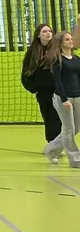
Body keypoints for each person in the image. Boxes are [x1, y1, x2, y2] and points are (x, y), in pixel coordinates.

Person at [45, 31, 80, 166]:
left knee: (76, 128)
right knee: (68, 129)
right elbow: (57, 81)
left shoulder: (76, 59)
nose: (71, 41)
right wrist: (64, 99)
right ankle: (75, 159)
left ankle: (51, 149)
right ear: (60, 43)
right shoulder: (57, 60)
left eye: (71, 39)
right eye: (67, 39)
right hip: (63, 98)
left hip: (77, 96)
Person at [23, 24, 61, 144]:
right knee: (48, 117)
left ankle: (57, 143)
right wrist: (33, 89)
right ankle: (51, 143)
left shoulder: (57, 50)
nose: (48, 33)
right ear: (38, 35)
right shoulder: (32, 52)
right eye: (44, 31)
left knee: (57, 117)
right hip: (42, 91)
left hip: (57, 90)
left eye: (50, 31)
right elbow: (26, 73)